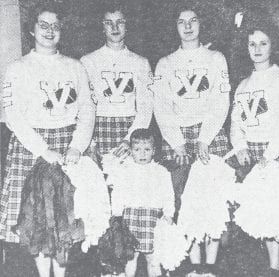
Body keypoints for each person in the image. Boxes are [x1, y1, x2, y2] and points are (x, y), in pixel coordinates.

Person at [0, 2, 95, 276]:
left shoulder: (75, 66)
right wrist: (44, 150)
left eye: (55, 26)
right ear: (32, 30)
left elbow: (87, 108)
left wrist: (78, 145)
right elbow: (14, 115)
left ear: (62, 31)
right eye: (43, 25)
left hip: (69, 143)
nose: (49, 31)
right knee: (40, 220)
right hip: (31, 146)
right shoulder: (17, 68)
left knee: (65, 218)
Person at [153, 2, 231, 276]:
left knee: (211, 202)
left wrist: (205, 138)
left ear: (201, 24)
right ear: (174, 27)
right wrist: (176, 141)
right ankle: (192, 267)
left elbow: (222, 100)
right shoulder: (165, 64)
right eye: (181, 21)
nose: (188, 26)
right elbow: (160, 105)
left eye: (193, 20)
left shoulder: (216, 59)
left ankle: (210, 268)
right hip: (176, 137)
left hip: (210, 135)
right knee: (183, 202)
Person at [231, 18, 279, 277]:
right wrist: (239, 145)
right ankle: (272, 268)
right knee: (264, 215)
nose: (257, 48)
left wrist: (270, 155)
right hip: (254, 155)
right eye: (252, 44)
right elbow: (236, 122)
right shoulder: (243, 85)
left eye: (263, 43)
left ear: (273, 46)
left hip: (278, 153)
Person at [80, 0, 153, 161]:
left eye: (120, 22)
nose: (114, 28)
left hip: (131, 129)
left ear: (127, 26)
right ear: (102, 27)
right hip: (97, 129)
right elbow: (84, 107)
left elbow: (146, 106)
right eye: (109, 23)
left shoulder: (141, 62)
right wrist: (88, 142)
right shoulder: (88, 61)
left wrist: (131, 138)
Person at [108, 128, 174, 277]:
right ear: (131, 150)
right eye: (137, 149)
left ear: (154, 150)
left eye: (147, 149)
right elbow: (118, 193)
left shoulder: (162, 172)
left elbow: (169, 195)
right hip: (129, 217)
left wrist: (169, 213)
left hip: (153, 218)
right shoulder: (124, 170)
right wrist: (117, 215)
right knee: (131, 256)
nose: (142, 154)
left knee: (153, 257)